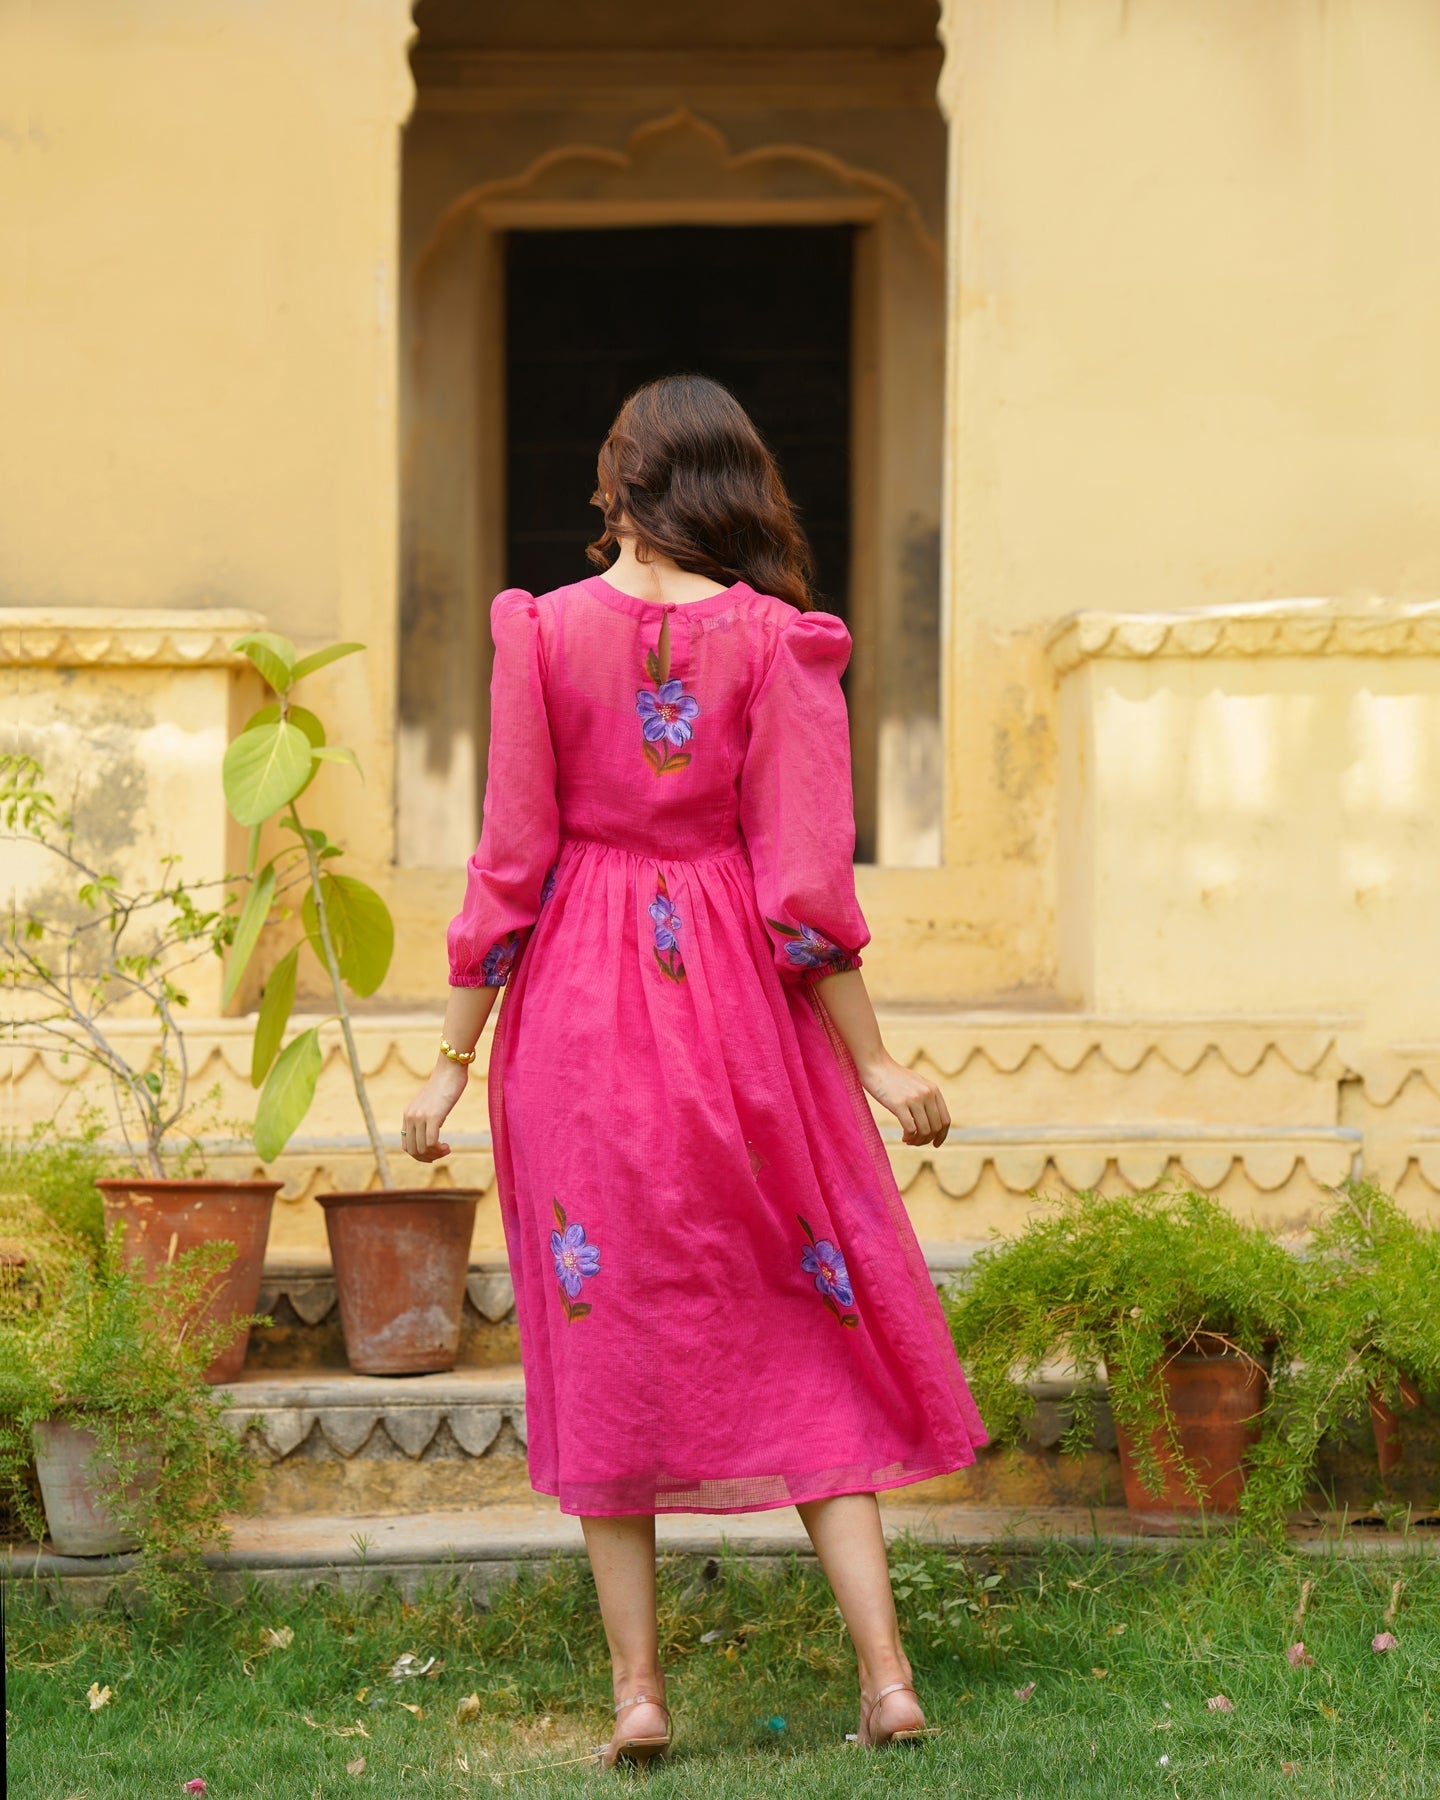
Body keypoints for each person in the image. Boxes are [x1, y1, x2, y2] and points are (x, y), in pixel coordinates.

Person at [402, 373, 988, 1768]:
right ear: (729, 485)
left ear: (614, 488)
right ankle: (888, 1678)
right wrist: (880, 1062)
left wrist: (442, 1064)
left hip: (578, 1019)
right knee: (811, 1320)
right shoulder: (781, 643)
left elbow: (511, 863)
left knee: (604, 1332)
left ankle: (640, 1695)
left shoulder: (538, 635)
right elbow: (801, 885)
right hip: (739, 1010)